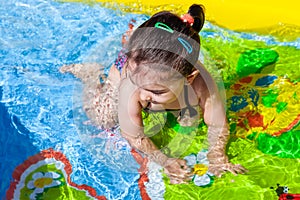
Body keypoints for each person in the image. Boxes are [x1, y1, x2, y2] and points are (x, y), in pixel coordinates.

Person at [60, 4, 246, 184]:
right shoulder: (133, 83)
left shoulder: (202, 86)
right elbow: (133, 134)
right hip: (130, 68)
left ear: (189, 78)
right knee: (104, 118)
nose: (143, 95)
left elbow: (217, 123)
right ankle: (91, 74)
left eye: (156, 91)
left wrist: (217, 156)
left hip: (148, 66)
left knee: (189, 117)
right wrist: (164, 160)